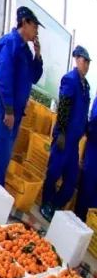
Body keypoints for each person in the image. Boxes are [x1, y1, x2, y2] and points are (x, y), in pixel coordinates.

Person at [0, 6, 44, 185]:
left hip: (16, 111)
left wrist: (38, 55)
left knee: (1, 149)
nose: (36, 31)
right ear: (24, 23)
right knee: (1, 152)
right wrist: (8, 109)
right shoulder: (9, 43)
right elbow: (4, 78)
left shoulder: (25, 50)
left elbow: (34, 77)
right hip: (7, 108)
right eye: (35, 26)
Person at [41, 46, 90, 220]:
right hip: (64, 137)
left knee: (71, 179)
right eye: (84, 61)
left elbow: (84, 112)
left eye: (88, 62)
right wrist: (61, 131)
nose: (86, 65)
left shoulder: (86, 86)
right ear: (76, 59)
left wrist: (86, 129)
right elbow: (63, 106)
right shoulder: (70, 80)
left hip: (74, 141)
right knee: (54, 172)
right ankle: (46, 203)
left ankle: (55, 205)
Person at [74, 95, 97, 223]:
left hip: (95, 148)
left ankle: (79, 219)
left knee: (88, 184)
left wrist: (87, 129)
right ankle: (90, 223)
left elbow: (95, 120)